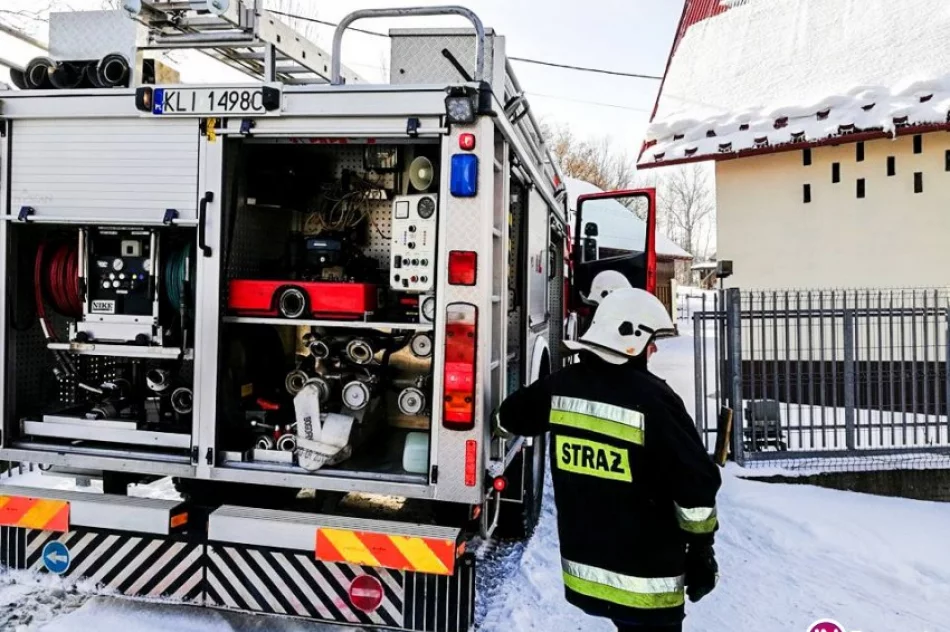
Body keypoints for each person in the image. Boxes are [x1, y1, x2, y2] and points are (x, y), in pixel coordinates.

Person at [496, 288, 721, 632]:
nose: (655, 349)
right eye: (651, 341)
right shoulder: (656, 401)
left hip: (587, 578)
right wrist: (702, 551)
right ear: (631, 340)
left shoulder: (560, 387)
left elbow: (508, 417)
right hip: (649, 586)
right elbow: (697, 488)